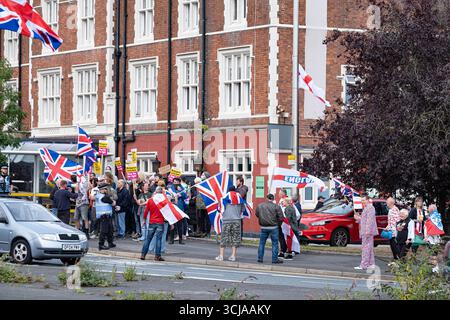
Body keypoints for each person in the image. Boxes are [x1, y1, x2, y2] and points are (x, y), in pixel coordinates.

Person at [215, 186, 243, 262]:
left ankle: (221, 256)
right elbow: (243, 210)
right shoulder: (239, 199)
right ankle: (233, 256)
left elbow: (219, 209)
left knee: (224, 238)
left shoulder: (224, 198)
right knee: (235, 238)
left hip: (226, 220)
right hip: (236, 220)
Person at [255, 194, 284, 264]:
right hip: (274, 227)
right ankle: (274, 259)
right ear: (273, 199)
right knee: (275, 243)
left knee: (262, 243)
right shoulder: (276, 206)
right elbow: (281, 217)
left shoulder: (260, 205)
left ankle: (260, 258)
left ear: (267, 198)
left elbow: (257, 214)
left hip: (263, 227)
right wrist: (278, 224)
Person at [140, 186, 166, 262]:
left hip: (152, 221)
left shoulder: (151, 200)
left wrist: (144, 220)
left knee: (148, 239)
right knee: (158, 239)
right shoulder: (163, 201)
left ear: (155, 191)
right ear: (162, 192)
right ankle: (157, 256)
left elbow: (146, 211)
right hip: (160, 222)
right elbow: (167, 212)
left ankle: (143, 254)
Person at [354, 195, 378, 270]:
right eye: (362, 200)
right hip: (365, 230)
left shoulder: (370, 208)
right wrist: (358, 218)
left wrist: (368, 231)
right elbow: (364, 220)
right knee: (369, 248)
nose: (362, 201)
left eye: (364, 200)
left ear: (368, 200)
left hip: (367, 231)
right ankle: (371, 264)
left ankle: (364, 265)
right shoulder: (366, 208)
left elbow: (370, 221)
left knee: (365, 248)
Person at [92, 182, 116, 250]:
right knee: (104, 231)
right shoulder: (104, 197)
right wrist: (113, 200)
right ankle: (101, 244)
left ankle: (110, 243)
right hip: (104, 216)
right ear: (103, 189)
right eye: (106, 189)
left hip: (105, 216)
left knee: (110, 230)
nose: (107, 190)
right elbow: (113, 203)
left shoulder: (98, 196)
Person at [169, 178, 187, 245]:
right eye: (174, 182)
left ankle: (180, 239)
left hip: (180, 208)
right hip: (173, 207)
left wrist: (181, 192)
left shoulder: (181, 188)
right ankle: (171, 239)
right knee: (172, 224)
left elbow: (185, 196)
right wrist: (175, 195)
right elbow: (169, 195)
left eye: (176, 182)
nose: (175, 183)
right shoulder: (171, 188)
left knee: (180, 225)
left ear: (179, 182)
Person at [385, 197, 401, 262]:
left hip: (394, 232)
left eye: (387, 202)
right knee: (392, 245)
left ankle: (398, 260)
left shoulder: (394, 210)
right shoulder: (391, 210)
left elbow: (397, 221)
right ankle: (395, 259)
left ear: (390, 203)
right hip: (391, 231)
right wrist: (387, 226)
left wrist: (390, 227)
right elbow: (390, 221)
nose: (386, 203)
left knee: (394, 246)